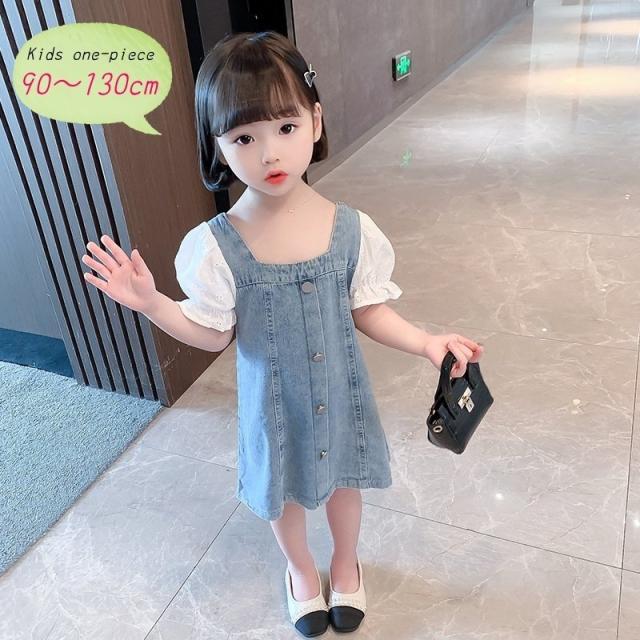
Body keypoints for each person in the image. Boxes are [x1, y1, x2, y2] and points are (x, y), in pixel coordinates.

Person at [81, 30, 484, 637]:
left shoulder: (352, 229)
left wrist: (427, 342)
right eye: (244, 137)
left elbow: (368, 310)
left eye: (286, 127)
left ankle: (344, 563)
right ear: (217, 146)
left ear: (315, 122)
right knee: (284, 495)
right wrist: (153, 303)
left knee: (345, 483)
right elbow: (213, 334)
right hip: (272, 409)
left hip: (341, 396)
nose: (269, 153)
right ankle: (299, 571)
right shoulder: (215, 247)